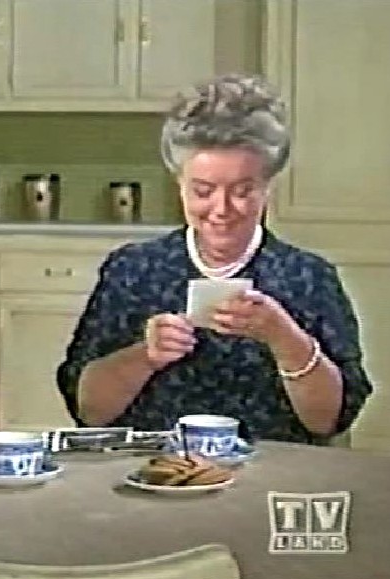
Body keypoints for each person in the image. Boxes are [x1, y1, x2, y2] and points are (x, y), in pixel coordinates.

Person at [57, 74, 373, 445]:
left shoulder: (309, 278)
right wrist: (146, 356)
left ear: (266, 188)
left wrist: (284, 337)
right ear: (179, 185)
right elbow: (89, 410)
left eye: (242, 190)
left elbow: (329, 421)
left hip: (273, 472)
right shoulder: (133, 271)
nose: (221, 210)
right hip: (158, 471)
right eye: (203, 191)